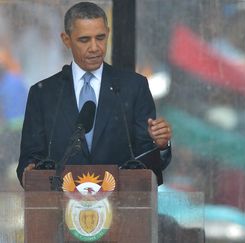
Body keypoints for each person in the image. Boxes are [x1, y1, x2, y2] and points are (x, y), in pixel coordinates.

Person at [17, 2, 172, 187]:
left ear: (108, 33)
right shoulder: (43, 94)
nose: (95, 47)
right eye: (84, 40)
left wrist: (161, 146)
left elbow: (147, 165)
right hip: (60, 210)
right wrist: (30, 170)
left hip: (120, 210)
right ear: (66, 40)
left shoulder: (134, 87)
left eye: (100, 38)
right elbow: (28, 162)